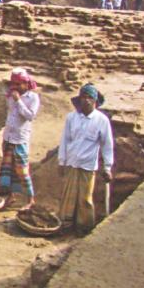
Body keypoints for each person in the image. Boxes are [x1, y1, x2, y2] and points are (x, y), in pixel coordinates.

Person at [56, 84, 114, 234]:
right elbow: (65, 140)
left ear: (95, 101)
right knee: (68, 196)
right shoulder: (71, 118)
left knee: (85, 199)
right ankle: (65, 225)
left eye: (90, 98)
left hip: (88, 165)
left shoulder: (101, 120)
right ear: (79, 99)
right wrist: (62, 161)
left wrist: (107, 167)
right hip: (72, 163)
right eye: (84, 97)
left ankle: (84, 228)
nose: (86, 101)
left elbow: (107, 145)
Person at [0, 68, 40, 211]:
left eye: (19, 84)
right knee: (9, 170)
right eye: (14, 84)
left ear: (26, 84)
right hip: (9, 137)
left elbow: (29, 116)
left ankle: (30, 199)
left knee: (22, 170)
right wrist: (13, 98)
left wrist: (18, 101)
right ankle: (12, 195)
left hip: (20, 139)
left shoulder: (32, 98)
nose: (16, 87)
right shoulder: (11, 95)